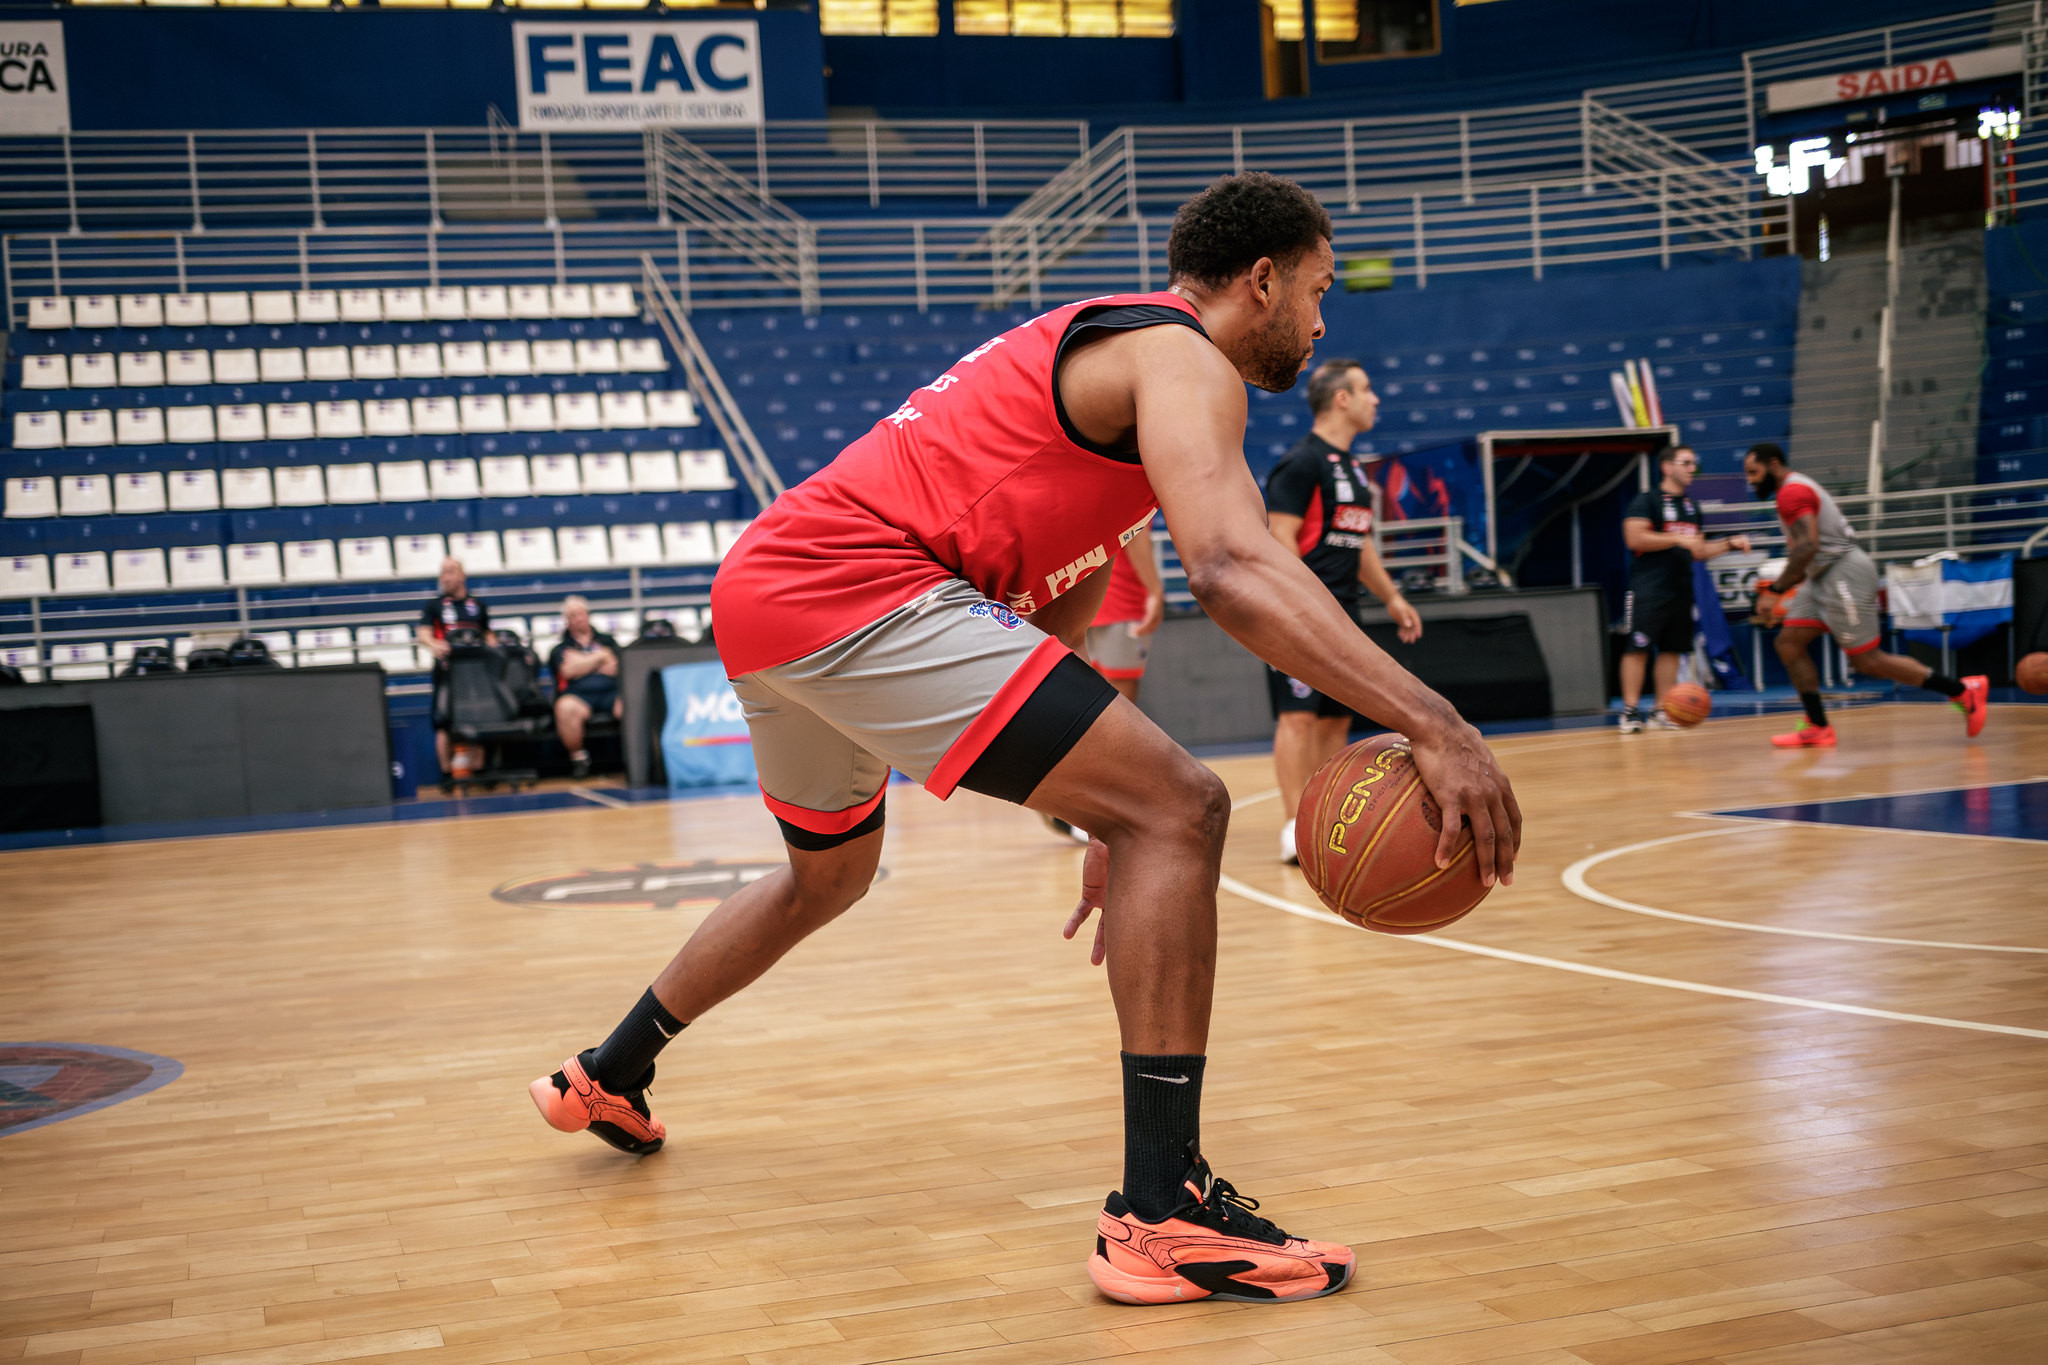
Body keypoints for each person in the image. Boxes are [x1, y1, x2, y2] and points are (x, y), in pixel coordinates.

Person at [530, 173, 1520, 1308]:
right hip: (854, 586)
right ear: (1261, 281)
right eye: (1316, 288)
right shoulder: (1179, 356)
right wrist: (1435, 725)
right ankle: (1160, 1214)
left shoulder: (1116, 387)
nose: (1322, 317)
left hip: (771, 591)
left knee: (827, 878)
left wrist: (1100, 799)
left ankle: (610, 1071)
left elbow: (1050, 616)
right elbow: (1236, 570)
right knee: (1185, 805)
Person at [1263, 358, 1422, 865]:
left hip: (1345, 614)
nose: (1376, 399)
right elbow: (1280, 539)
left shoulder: (1354, 469)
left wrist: (1392, 598)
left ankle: (1322, 817)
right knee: (1298, 720)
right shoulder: (1301, 463)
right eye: (1367, 389)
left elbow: (1359, 543)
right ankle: (1293, 826)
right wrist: (1302, 605)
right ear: (1342, 399)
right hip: (1296, 615)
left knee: (1333, 725)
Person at [1742, 442, 1987, 747]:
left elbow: (1808, 547)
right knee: (1789, 643)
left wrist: (1774, 592)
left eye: (1754, 472)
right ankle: (1818, 726)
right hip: (1821, 575)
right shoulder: (1791, 490)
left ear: (1774, 464)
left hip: (1843, 572)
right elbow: (1808, 552)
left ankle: (1963, 691)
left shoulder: (1792, 492)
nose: (1750, 480)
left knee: (1867, 661)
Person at [1617, 446, 1751, 733]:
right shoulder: (1647, 500)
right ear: (1667, 467)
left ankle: (1660, 711)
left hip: (1681, 588)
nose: (1692, 469)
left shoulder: (1692, 507)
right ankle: (1629, 712)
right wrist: (1677, 540)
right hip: (1648, 588)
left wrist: (1729, 543)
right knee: (1638, 647)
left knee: (1672, 650)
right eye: (1686, 463)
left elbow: (1698, 550)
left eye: (1694, 464)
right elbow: (1635, 538)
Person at [1044, 540, 1167, 845]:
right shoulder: (1133, 493)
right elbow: (1136, 539)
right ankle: (1088, 813)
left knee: (1087, 709)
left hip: (1077, 602)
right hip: (1120, 602)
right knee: (1115, 714)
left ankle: (1075, 807)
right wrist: (1155, 590)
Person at [416, 557, 488, 781]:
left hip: (475, 674)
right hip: (447, 672)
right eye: (443, 573)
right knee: (443, 721)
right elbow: (423, 633)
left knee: (479, 719)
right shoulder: (435, 605)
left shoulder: (477, 605)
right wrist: (435, 645)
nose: (446, 577)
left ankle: (479, 770)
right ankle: (446, 773)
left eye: (450, 572)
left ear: (462, 575)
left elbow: (488, 635)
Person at [546, 596, 624, 780]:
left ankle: (635, 755)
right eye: (573, 615)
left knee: (631, 701)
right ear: (567, 620)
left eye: (581, 613)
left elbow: (616, 667)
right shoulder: (560, 648)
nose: (578, 618)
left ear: (588, 615)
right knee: (565, 707)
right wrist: (601, 658)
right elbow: (567, 671)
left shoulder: (607, 640)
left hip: (611, 693)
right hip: (579, 696)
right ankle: (579, 759)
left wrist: (580, 662)